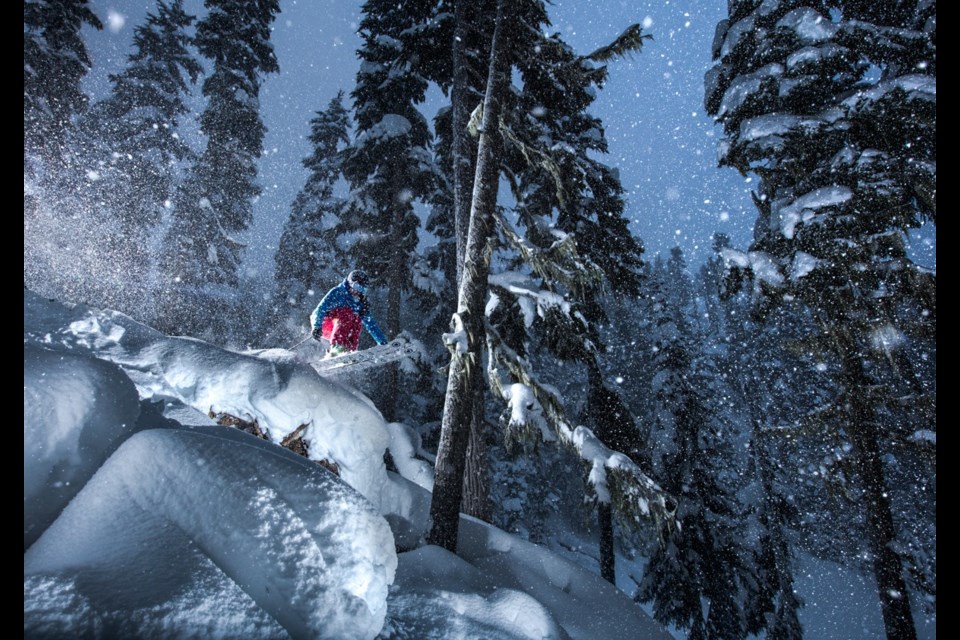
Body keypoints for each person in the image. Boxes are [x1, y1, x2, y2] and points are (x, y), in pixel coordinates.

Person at [310, 270, 388, 357]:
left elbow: (371, 324)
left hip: (341, 328)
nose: (358, 291)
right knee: (347, 312)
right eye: (357, 287)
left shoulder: (361, 303)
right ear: (350, 283)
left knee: (357, 317)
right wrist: (317, 326)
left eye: (362, 289)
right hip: (325, 324)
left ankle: (349, 350)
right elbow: (319, 310)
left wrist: (383, 342)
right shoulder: (337, 292)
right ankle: (337, 347)